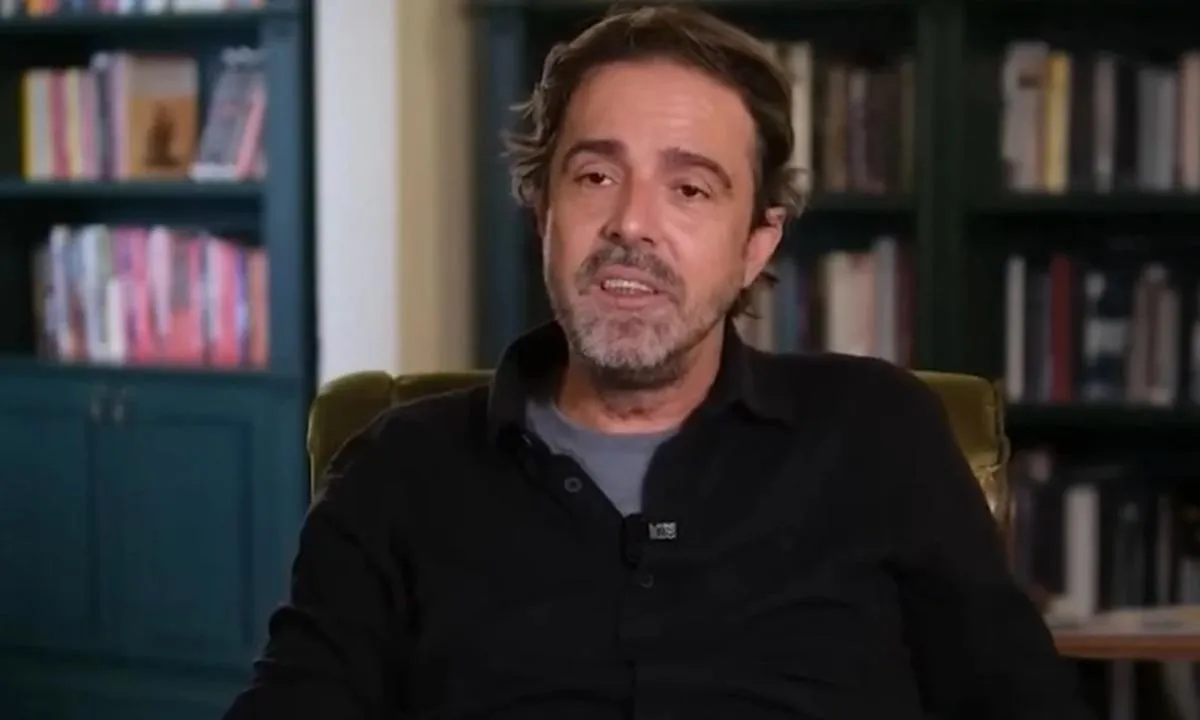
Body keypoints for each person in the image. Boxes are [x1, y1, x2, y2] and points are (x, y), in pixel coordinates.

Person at [225, 4, 1089, 719]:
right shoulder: (400, 470)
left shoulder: (878, 434)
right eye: (595, 177)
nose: (632, 224)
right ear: (543, 214)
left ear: (756, 245)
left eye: (690, 188)